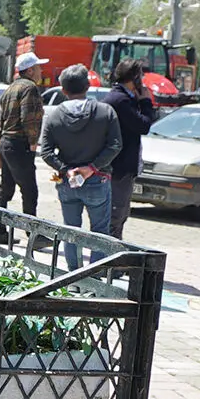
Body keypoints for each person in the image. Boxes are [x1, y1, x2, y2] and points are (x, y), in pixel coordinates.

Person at [38, 64, 122, 267]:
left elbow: (46, 152)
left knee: (71, 231)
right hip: (98, 180)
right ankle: (94, 276)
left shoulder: (54, 115)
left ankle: (73, 275)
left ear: (63, 90)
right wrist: (91, 168)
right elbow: (115, 145)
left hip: (68, 183)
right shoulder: (105, 112)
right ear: (88, 86)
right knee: (100, 232)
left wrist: (66, 170)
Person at [100, 58, 156, 240]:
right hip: (119, 167)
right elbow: (143, 125)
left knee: (120, 213)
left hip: (120, 166)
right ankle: (110, 252)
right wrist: (146, 101)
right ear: (135, 78)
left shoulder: (121, 98)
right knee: (116, 215)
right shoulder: (121, 101)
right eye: (141, 77)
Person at [0, 52, 48, 215]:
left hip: (6, 142)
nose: (41, 71)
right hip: (19, 144)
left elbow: (3, 120)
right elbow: (28, 119)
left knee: (6, 188)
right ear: (30, 70)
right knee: (29, 191)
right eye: (38, 68)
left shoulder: (10, 88)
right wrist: (33, 142)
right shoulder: (30, 88)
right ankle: (31, 229)